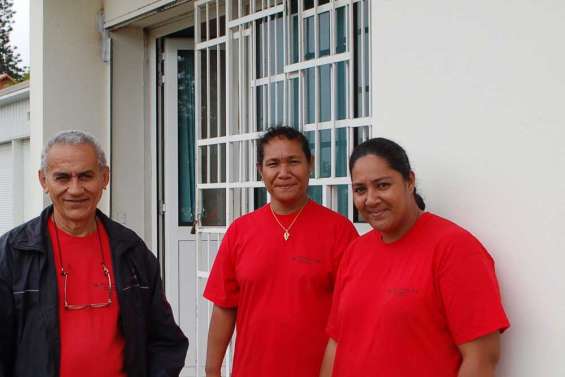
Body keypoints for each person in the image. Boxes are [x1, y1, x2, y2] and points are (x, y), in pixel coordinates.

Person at [0, 130, 188, 377]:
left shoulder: (132, 251)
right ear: (44, 181)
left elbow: (165, 341)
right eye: (62, 178)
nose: (75, 189)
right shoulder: (13, 254)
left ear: (105, 177)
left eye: (86, 176)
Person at [320, 138, 510, 377]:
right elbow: (336, 343)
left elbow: (481, 359)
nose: (371, 199)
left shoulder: (455, 249)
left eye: (382, 185)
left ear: (409, 181)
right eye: (360, 189)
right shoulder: (355, 251)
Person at [203, 127, 358, 377]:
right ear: (260, 171)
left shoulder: (339, 231)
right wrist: (212, 370)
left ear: (311, 164)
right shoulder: (240, 231)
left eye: (294, 162)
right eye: (273, 163)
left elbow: (353, 316)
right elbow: (224, 306)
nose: (283, 173)